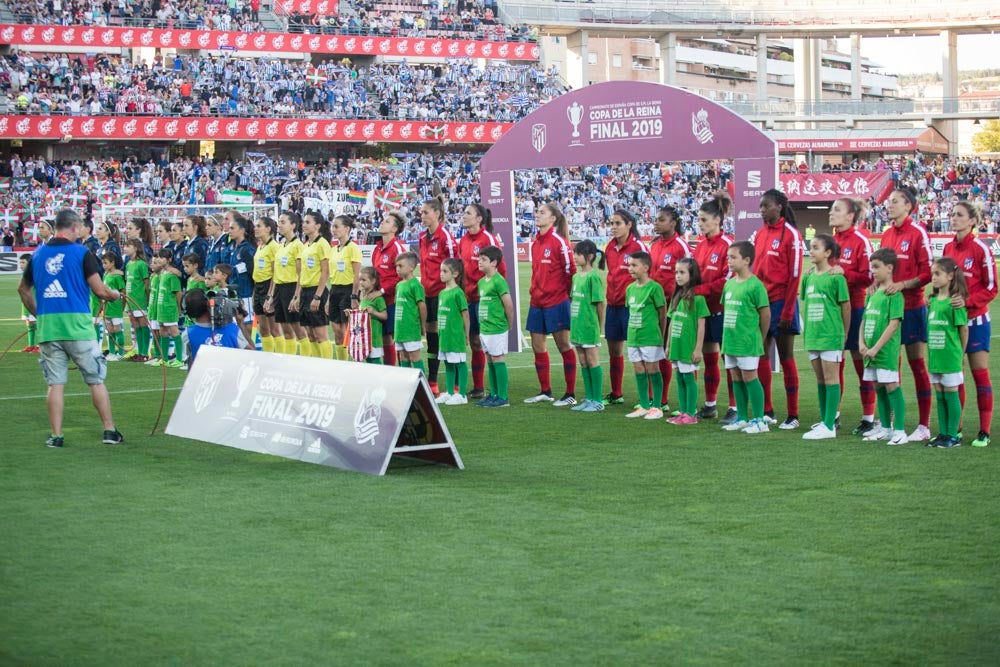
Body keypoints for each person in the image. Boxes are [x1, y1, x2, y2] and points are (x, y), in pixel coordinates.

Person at [17, 208, 125, 448]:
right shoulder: (81, 253)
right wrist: (115, 295)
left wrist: (40, 314)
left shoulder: (37, 254)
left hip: (49, 329)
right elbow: (100, 290)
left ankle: (56, 436)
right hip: (78, 327)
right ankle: (109, 431)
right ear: (75, 227)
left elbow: (23, 289)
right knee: (95, 380)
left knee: (55, 384)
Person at [878, 186, 933, 442]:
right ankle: (889, 421)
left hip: (912, 308)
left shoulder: (918, 232)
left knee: (917, 365)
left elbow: (928, 273)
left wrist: (902, 285)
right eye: (889, 201)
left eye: (896, 201)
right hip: (887, 310)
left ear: (909, 206)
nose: (890, 205)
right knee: (889, 365)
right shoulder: (887, 234)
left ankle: (924, 425)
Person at [942, 201, 997, 448]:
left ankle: (984, 430)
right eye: (952, 214)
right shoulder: (947, 248)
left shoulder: (980, 249)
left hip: (976, 320)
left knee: (979, 374)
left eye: (960, 215)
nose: (954, 218)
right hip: (953, 322)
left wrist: (968, 302)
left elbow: (992, 286)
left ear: (972, 221)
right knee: (955, 375)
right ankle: (957, 428)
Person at [751, 189, 804, 430]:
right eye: (760, 206)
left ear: (779, 207)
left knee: (786, 358)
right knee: (761, 354)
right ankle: (767, 410)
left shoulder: (791, 235)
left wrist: (788, 312)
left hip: (783, 302)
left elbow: (794, 277)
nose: (762, 210)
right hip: (762, 303)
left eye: (766, 206)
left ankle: (793, 415)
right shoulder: (761, 234)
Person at [828, 197, 876, 435]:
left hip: (855, 309)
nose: (831, 213)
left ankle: (869, 417)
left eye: (837, 209)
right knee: (835, 363)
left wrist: (844, 272)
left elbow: (869, 276)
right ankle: (833, 415)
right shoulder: (831, 241)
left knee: (862, 364)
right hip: (832, 311)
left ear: (851, 216)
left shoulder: (861, 242)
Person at [525, 202, 577, 406]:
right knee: (538, 346)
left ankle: (570, 393)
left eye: (542, 212)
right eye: (537, 212)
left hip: (556, 301)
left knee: (563, 345)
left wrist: (563, 295)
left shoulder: (559, 242)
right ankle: (545, 391)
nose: (537, 215)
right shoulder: (535, 243)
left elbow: (570, 271)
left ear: (553, 218)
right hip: (536, 301)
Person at [800, 235, 850, 441]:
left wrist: (844, 334)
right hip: (813, 335)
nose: (811, 251)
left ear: (828, 253)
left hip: (831, 335)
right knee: (820, 379)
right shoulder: (808, 277)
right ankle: (824, 421)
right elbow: (805, 302)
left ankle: (830, 425)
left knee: (831, 378)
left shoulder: (837, 278)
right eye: (811, 247)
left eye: (816, 248)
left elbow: (845, 307)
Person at [692, 193, 736, 423]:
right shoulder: (700, 246)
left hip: (723, 309)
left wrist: (700, 291)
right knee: (709, 359)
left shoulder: (727, 245)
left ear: (717, 221)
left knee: (728, 360)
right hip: (705, 311)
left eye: (704, 220)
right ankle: (710, 405)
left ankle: (734, 406)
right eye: (699, 220)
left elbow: (728, 278)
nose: (700, 224)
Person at [720, 241, 771, 434]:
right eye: (728, 257)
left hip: (747, 340)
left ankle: (759, 420)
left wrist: (760, 336)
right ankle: (742, 417)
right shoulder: (730, 284)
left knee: (750, 377)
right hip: (731, 339)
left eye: (733, 257)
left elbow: (765, 315)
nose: (729, 261)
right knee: (736, 378)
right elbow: (727, 311)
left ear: (747, 260)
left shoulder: (755, 285)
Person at [859, 248, 908, 446]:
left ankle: (900, 431)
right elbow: (864, 319)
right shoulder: (871, 293)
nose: (873, 271)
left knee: (891, 386)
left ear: (889, 268)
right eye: (872, 267)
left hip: (884, 351)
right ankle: (886, 428)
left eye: (877, 267)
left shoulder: (894, 295)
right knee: (878, 386)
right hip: (869, 351)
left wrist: (877, 348)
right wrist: (862, 343)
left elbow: (893, 324)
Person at [458, 203, 507, 400]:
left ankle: (494, 391)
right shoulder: (463, 240)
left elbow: (500, 269)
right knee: (475, 342)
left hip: (483, 298)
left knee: (486, 343)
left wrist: (491, 293)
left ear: (479, 219)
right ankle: (479, 388)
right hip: (467, 297)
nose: (464, 216)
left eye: (468, 213)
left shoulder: (487, 239)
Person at [602, 210, 650, 409]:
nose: (613, 226)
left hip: (632, 306)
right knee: (614, 351)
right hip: (613, 305)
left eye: (618, 223)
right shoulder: (610, 247)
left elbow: (648, 275)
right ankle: (616, 393)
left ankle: (646, 397)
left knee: (640, 352)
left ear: (629, 224)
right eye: (611, 223)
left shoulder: (638, 247)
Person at [649, 205, 692, 413]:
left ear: (673, 223)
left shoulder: (680, 247)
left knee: (671, 352)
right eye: (656, 219)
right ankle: (655, 397)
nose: (657, 222)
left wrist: (679, 303)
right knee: (655, 352)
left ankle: (667, 399)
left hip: (673, 306)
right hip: (654, 306)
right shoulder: (655, 245)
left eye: (661, 219)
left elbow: (689, 275)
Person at [926, 257, 969, 448]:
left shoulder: (955, 302)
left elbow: (963, 329)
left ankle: (953, 435)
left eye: (938, 274)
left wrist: (961, 354)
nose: (933, 278)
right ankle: (943, 433)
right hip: (936, 356)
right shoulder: (933, 301)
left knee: (951, 394)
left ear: (950, 276)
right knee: (940, 394)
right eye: (932, 274)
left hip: (950, 355)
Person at [418, 197, 458, 395]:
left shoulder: (445, 237)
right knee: (432, 337)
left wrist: (451, 292)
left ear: (437, 214)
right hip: (428, 293)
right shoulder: (422, 237)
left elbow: (455, 266)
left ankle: (456, 381)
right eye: (422, 212)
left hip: (443, 295)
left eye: (425, 212)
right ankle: (433, 380)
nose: (422, 216)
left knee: (447, 335)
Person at [623, 251, 667, 421]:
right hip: (634, 336)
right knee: (638, 369)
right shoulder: (630, 289)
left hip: (650, 336)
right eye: (629, 265)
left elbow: (662, 313)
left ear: (646, 267)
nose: (630, 268)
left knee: (653, 369)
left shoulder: (655, 288)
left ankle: (657, 406)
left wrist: (661, 336)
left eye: (634, 265)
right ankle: (643, 405)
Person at [665, 257, 708, 425]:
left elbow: (701, 325)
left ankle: (691, 413)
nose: (678, 276)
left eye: (682, 272)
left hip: (688, 346)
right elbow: (671, 322)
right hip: (676, 345)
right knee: (680, 378)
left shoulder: (698, 299)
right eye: (676, 272)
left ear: (692, 274)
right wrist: (668, 345)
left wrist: (698, 349)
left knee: (689, 378)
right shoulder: (676, 296)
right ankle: (683, 412)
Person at [568, 240, 606, 413]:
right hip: (577, 325)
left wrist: (599, 326)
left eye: (578, 253)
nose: (575, 257)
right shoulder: (576, 277)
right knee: (583, 361)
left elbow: (600, 304)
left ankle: (598, 400)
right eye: (574, 253)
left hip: (589, 326)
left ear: (590, 256)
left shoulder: (593, 277)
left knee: (592, 360)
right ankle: (589, 398)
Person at [476, 245, 514, 408]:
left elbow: (508, 305)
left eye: (483, 259)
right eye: (479, 258)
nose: (479, 262)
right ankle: (493, 394)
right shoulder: (481, 282)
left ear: (494, 262)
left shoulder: (499, 281)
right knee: (490, 359)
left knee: (498, 358)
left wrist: (508, 324)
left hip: (497, 326)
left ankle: (503, 397)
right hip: (485, 327)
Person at [264, 211, 305, 355]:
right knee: (286, 330)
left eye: (283, 222)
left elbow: (301, 274)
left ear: (293, 225)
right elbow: (275, 273)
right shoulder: (281, 246)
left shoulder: (298, 245)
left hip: (291, 288)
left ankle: (307, 361)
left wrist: (296, 296)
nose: (279, 225)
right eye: (279, 222)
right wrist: (270, 296)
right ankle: (289, 360)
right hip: (279, 290)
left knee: (298, 329)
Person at [371, 211, 408, 366]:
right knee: (385, 337)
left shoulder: (397, 248)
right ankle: (389, 370)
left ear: (394, 229)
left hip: (393, 300)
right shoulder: (377, 248)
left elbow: (402, 275)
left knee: (396, 337)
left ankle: (401, 370)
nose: (382, 222)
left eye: (386, 221)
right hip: (379, 300)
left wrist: (383, 290)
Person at [294, 211, 332, 358]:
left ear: (318, 225)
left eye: (308, 222)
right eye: (304, 222)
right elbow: (302, 273)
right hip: (305, 292)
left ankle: (327, 366)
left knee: (320, 334)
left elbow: (325, 272)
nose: (304, 225)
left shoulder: (322, 244)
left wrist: (318, 296)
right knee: (310, 334)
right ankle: (316, 364)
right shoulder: (306, 245)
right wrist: (298, 296)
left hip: (316, 291)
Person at [181, 289, 253, 365]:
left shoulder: (187, 335)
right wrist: (241, 324)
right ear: (208, 304)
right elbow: (253, 353)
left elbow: (189, 363)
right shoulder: (232, 330)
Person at [435, 258, 470, 406]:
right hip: (445, 335)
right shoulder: (442, 293)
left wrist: (466, 334)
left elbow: (465, 314)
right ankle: (450, 393)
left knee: (460, 363)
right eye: (440, 271)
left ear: (455, 274)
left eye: (445, 271)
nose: (441, 274)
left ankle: (462, 394)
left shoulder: (458, 293)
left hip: (456, 335)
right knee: (448, 363)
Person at [329, 214, 362, 361]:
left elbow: (357, 275)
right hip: (335, 290)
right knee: (336, 330)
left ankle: (351, 361)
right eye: (333, 226)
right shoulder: (334, 249)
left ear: (347, 229)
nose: (333, 229)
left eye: (337, 226)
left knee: (347, 330)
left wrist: (354, 296)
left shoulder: (353, 248)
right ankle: (342, 362)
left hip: (348, 290)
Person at [393, 252, 427, 373]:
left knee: (414, 356)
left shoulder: (415, 285)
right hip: (400, 329)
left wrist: (423, 325)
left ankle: (423, 386)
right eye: (396, 266)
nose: (397, 269)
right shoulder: (399, 285)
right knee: (403, 356)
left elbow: (422, 306)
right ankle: (406, 384)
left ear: (412, 267)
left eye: (400, 266)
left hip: (411, 328)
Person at [253, 216, 280, 352]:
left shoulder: (274, 247)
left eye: (259, 226)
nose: (255, 228)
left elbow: (276, 274)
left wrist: (270, 295)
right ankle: (268, 355)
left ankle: (282, 357)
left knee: (274, 328)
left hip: (269, 287)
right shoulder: (260, 247)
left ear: (268, 229)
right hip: (258, 288)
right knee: (263, 328)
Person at [153, 248, 184, 369]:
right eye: (158, 257)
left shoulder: (172, 275)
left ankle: (180, 359)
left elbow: (178, 293)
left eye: (162, 257)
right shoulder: (163, 274)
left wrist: (178, 307)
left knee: (174, 330)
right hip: (161, 308)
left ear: (169, 259)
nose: (159, 260)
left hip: (170, 308)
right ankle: (164, 359)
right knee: (162, 331)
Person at [122, 239, 151, 361]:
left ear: (136, 248)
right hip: (130, 300)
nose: (125, 248)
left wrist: (147, 298)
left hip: (140, 300)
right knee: (136, 325)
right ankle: (139, 351)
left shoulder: (142, 264)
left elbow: (146, 283)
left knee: (143, 324)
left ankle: (145, 353)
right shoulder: (128, 264)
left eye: (128, 246)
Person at [228, 216, 256, 330]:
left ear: (242, 230)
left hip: (246, 294)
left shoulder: (247, 249)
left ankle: (253, 347)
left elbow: (253, 274)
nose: (229, 230)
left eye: (232, 228)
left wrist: (253, 294)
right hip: (236, 293)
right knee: (239, 326)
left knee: (247, 326)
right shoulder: (236, 248)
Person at [357, 267, 388, 364]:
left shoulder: (378, 299)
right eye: (360, 280)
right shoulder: (363, 296)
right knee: (368, 360)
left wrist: (374, 312)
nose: (361, 282)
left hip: (374, 337)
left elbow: (385, 316)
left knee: (375, 362)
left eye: (364, 280)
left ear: (373, 281)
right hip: (364, 336)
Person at [100, 251, 127, 360]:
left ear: (112, 263)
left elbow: (123, 292)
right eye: (103, 263)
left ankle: (121, 352)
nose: (104, 265)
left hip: (115, 306)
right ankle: (111, 352)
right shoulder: (105, 274)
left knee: (117, 329)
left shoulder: (117, 276)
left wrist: (122, 305)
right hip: (107, 307)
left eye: (106, 263)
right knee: (110, 330)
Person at [19, 253, 40, 353]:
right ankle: (31, 345)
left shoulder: (35, 273)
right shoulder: (24, 274)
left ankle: (40, 345)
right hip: (25, 303)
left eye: (23, 262)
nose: (21, 265)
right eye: (20, 262)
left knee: (37, 323)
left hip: (34, 302)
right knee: (28, 323)